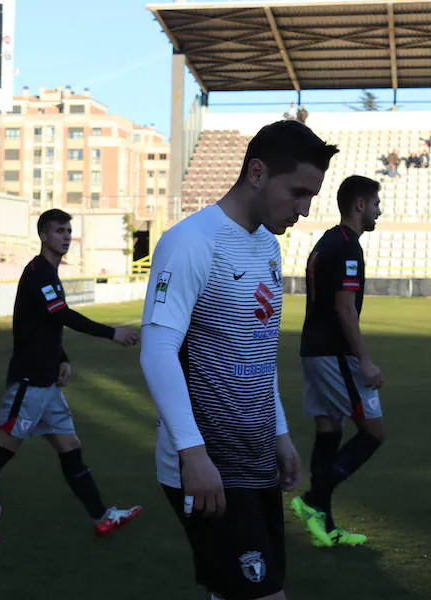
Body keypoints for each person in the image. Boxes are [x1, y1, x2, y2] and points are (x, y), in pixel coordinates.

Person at [139, 120, 338, 600]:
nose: (304, 209)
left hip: (255, 458)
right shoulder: (191, 241)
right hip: (207, 463)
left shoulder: (268, 246)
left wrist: (281, 435)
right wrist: (193, 453)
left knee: (234, 592)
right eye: (297, 193)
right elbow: (158, 350)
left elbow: (258, 353)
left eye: (312, 196)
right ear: (256, 172)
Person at [0, 209, 142, 544]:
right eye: (60, 230)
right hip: (29, 383)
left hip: (47, 385)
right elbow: (61, 314)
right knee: (0, 451)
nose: (66, 236)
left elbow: (47, 324)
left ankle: (102, 517)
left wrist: (63, 357)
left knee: (71, 448)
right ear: (44, 235)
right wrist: (111, 333)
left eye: (69, 230)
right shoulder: (38, 271)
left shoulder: (49, 273)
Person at [291, 176, 384, 549]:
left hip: (313, 349)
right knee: (374, 433)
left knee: (329, 431)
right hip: (334, 354)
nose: (380, 210)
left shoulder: (328, 242)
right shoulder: (346, 248)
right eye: (376, 203)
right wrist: (365, 361)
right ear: (359, 205)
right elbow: (344, 308)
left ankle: (324, 526)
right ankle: (313, 501)